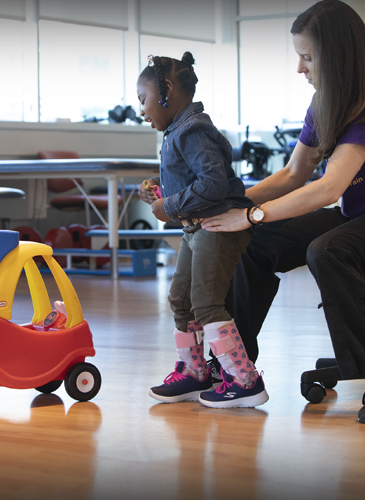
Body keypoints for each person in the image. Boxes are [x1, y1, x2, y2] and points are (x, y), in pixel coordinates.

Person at [200, 0, 365, 424]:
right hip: (363, 216)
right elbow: (295, 173)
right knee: (253, 241)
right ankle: (236, 367)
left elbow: (329, 188)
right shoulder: (325, 103)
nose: (300, 67)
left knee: (328, 250)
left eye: (307, 57)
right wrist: (234, 206)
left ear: (338, 56)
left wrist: (254, 213)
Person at [135, 52, 265, 408]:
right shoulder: (178, 129)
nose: (142, 110)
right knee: (181, 300)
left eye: (143, 100)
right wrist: (160, 194)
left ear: (168, 91)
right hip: (197, 228)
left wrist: (169, 207)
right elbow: (195, 181)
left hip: (218, 227)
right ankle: (195, 373)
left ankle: (244, 380)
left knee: (206, 304)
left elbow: (213, 184)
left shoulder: (193, 129)